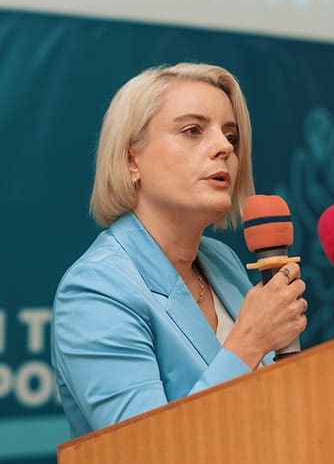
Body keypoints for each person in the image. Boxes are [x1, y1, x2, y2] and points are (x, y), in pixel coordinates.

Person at [51, 62, 307, 439]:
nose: (224, 147)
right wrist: (250, 341)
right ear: (132, 160)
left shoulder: (221, 261)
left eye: (231, 136)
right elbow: (145, 449)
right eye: (193, 130)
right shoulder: (94, 290)